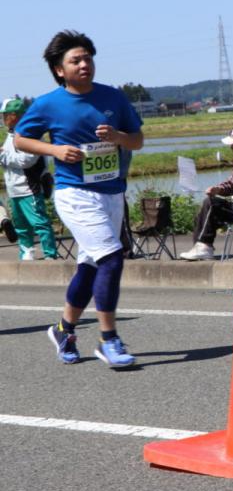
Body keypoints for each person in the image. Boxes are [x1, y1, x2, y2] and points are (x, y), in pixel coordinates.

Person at [14, 30, 144, 367]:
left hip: (112, 193)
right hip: (75, 194)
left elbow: (138, 140)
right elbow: (20, 140)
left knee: (90, 267)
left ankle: (64, 329)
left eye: (88, 57)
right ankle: (109, 339)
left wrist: (118, 137)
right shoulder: (47, 104)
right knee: (112, 259)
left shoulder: (113, 98)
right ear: (60, 69)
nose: (85, 64)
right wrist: (54, 149)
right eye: (76, 60)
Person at [179, 125, 233, 261]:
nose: (231, 148)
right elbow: (232, 184)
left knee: (211, 204)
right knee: (205, 208)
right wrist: (217, 189)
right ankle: (200, 246)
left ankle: (204, 247)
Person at [2, 97, 58, 260]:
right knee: (21, 227)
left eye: (5, 115)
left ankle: (50, 255)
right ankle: (26, 253)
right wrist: (4, 156)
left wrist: (3, 156)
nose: (3, 119)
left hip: (29, 187)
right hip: (14, 190)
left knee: (40, 223)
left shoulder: (32, 133)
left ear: (15, 115)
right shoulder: (10, 135)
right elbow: (9, 158)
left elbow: (26, 160)